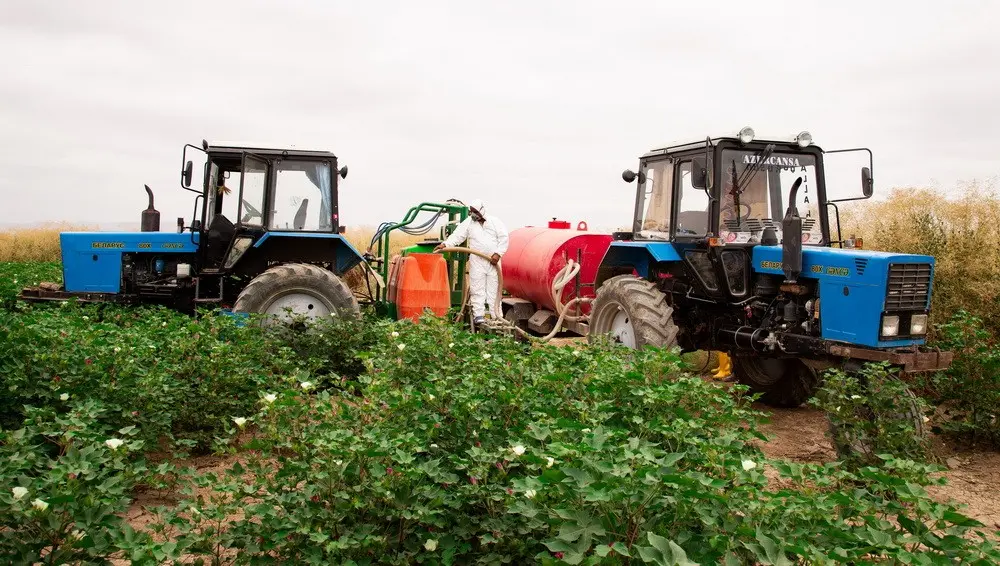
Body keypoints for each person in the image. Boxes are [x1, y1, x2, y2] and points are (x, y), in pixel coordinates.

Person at [434, 199, 509, 325]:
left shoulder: (495, 222)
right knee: (477, 288)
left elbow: (504, 238)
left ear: (481, 212)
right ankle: (478, 315)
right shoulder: (469, 223)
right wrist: (445, 244)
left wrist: (498, 254)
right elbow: (458, 235)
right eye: (470, 211)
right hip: (477, 261)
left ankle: (496, 316)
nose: (472, 214)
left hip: (493, 262)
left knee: (494, 290)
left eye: (474, 212)